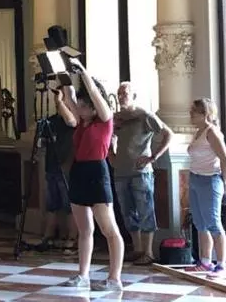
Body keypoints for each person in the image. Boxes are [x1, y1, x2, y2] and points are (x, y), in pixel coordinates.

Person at [56, 58, 124, 291]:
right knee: (85, 229)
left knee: (109, 229)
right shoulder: (82, 122)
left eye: (85, 105)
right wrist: (62, 71)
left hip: (97, 171)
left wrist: (83, 71)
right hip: (79, 171)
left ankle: (114, 279)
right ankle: (83, 275)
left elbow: (93, 92)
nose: (80, 108)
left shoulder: (105, 120)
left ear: (94, 107)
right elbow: (69, 95)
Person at [111, 81, 173, 266]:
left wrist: (153, 157)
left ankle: (148, 252)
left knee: (145, 210)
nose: (121, 97)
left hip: (141, 172)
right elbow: (110, 136)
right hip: (121, 171)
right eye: (119, 93)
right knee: (127, 211)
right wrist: (110, 154)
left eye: (125, 93)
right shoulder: (116, 118)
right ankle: (137, 249)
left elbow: (168, 134)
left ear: (134, 96)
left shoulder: (145, 115)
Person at [185, 98, 226, 279]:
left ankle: (221, 266)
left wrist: (225, 183)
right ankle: (205, 262)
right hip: (195, 178)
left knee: (213, 223)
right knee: (200, 223)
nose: (190, 114)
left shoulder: (211, 132)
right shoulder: (198, 132)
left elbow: (225, 159)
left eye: (194, 111)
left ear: (205, 114)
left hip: (210, 180)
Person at [37, 110, 77, 255]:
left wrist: (68, 164)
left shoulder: (74, 120)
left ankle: (72, 237)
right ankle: (49, 236)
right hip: (51, 166)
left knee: (70, 205)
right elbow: (42, 143)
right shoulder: (51, 121)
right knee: (51, 204)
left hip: (68, 168)